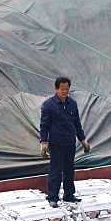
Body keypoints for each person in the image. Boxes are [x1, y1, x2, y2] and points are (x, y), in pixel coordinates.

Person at [40, 76, 90, 208]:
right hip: (56, 143)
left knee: (69, 169)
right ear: (56, 89)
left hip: (70, 142)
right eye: (62, 89)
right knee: (55, 170)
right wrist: (44, 143)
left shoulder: (72, 104)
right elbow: (44, 125)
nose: (65, 92)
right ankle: (53, 197)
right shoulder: (49, 105)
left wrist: (83, 140)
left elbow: (77, 123)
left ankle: (68, 195)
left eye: (67, 89)